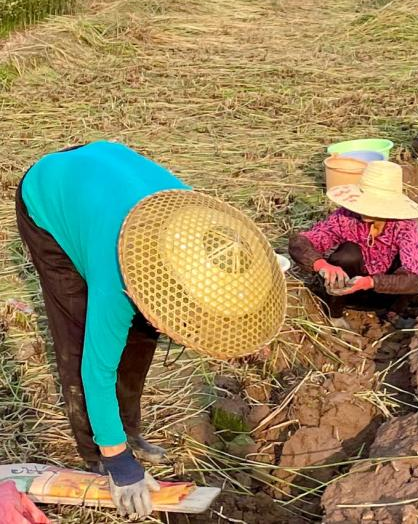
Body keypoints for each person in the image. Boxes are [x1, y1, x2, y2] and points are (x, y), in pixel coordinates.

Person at [15, 141, 284, 520]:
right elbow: (97, 370)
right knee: (79, 342)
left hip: (107, 168)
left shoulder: (195, 231)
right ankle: (99, 456)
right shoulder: (116, 282)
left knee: (143, 333)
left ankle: (128, 427)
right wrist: (119, 462)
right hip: (51, 191)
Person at [289, 161, 418, 319]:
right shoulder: (346, 217)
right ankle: (335, 315)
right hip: (347, 292)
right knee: (348, 253)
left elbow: (415, 280)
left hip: (386, 295)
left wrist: (369, 282)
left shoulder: (404, 226)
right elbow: (299, 243)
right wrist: (322, 265)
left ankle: (394, 314)